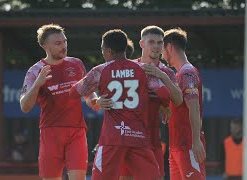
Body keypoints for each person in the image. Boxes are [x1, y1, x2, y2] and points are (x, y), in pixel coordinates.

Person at [69, 29, 171, 180]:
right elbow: (164, 94)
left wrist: (96, 101)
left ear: (108, 51)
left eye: (102, 49)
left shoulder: (100, 70)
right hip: (138, 137)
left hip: (112, 139)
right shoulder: (142, 70)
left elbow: (74, 92)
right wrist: (164, 106)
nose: (102, 52)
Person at [20, 24, 97, 180]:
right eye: (58, 43)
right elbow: (24, 106)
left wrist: (95, 101)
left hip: (76, 131)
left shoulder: (76, 64)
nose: (63, 46)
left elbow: (88, 94)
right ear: (44, 46)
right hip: (51, 132)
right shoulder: (35, 71)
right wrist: (37, 85)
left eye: (65, 41)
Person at [119, 25, 183, 180]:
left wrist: (161, 76)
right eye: (151, 42)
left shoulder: (167, 72)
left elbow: (179, 100)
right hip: (128, 138)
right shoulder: (129, 67)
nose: (156, 46)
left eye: (160, 42)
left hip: (152, 139)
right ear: (141, 44)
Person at [160, 28, 206, 180]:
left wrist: (196, 141)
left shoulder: (187, 72)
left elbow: (194, 107)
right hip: (177, 145)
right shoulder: (179, 74)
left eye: (162, 50)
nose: (161, 55)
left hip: (188, 145)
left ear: (169, 47)